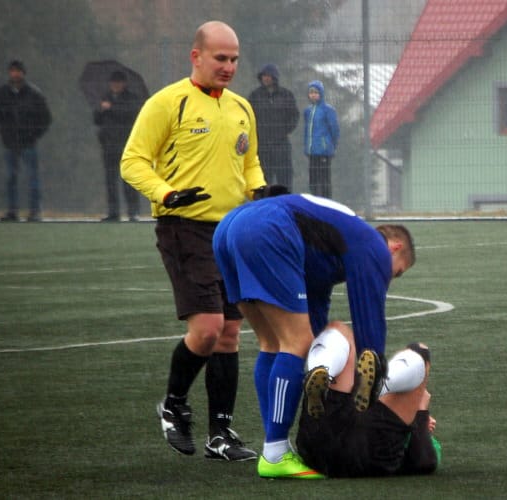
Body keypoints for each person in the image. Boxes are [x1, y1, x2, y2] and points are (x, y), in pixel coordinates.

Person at [121, 20, 266, 461]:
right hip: (184, 227)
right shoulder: (167, 103)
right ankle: (174, 404)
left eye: (234, 59)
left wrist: (260, 192)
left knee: (229, 336)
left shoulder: (242, 107)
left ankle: (220, 435)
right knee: (206, 331)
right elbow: (133, 161)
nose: (228, 67)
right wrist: (167, 193)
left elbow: (251, 163)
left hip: (233, 232)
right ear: (196, 56)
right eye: (220, 58)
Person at [212, 193, 416, 479]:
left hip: (229, 227)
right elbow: (369, 324)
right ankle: (275, 453)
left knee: (273, 344)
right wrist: (373, 372)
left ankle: (275, 445)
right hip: (268, 226)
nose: (389, 277)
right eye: (397, 273)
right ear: (395, 248)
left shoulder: (332, 246)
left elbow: (315, 306)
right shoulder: (374, 246)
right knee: (295, 344)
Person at [297, 320, 441, 477]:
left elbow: (425, 462)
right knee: (417, 355)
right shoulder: (411, 423)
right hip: (362, 448)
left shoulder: (423, 434)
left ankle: (323, 367)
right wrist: (419, 414)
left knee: (339, 331)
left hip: (316, 446)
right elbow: (424, 461)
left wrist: (421, 412)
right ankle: (380, 384)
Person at [0, 60, 52, 222]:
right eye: (12, 71)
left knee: (32, 178)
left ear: (23, 73)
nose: (15, 74)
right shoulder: (2, 93)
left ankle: (34, 211)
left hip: (28, 143)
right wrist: (5, 136)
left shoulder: (34, 94)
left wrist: (33, 135)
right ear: (9, 73)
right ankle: (12, 211)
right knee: (11, 177)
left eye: (18, 71)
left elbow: (46, 118)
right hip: (10, 143)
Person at [93, 70, 143, 222]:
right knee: (110, 181)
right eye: (113, 82)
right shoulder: (105, 98)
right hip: (108, 146)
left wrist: (111, 108)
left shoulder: (132, 98)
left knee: (128, 180)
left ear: (124, 83)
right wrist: (101, 110)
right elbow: (96, 119)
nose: (115, 85)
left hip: (126, 145)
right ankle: (113, 212)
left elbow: (131, 114)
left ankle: (133, 212)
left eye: (118, 82)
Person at [248, 64, 299, 192]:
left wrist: (283, 131)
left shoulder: (286, 95)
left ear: (274, 77)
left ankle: (287, 205)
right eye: (264, 76)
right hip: (262, 145)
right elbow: (248, 116)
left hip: (281, 144)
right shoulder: (255, 96)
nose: (266, 78)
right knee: (263, 180)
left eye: (269, 76)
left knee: (285, 178)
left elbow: (294, 115)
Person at [303, 80, 339, 198]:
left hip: (324, 151)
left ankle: (327, 202)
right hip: (312, 151)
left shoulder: (327, 110)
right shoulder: (308, 111)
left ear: (321, 94)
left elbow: (334, 129)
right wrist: (307, 146)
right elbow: (306, 131)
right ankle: (315, 201)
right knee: (313, 179)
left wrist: (331, 145)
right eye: (311, 92)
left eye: (316, 92)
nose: (313, 95)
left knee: (324, 180)